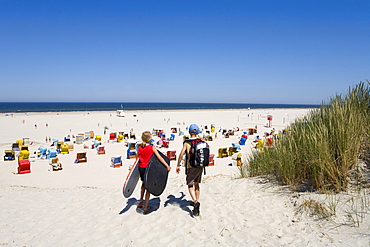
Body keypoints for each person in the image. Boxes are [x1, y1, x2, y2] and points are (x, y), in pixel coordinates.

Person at [137, 131, 171, 214]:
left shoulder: (139, 148)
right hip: (149, 169)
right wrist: (167, 165)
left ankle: (141, 201)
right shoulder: (151, 147)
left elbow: (137, 159)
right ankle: (146, 207)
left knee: (143, 185)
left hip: (141, 168)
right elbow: (159, 157)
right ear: (150, 139)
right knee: (149, 187)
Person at [176, 124, 203, 216]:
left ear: (189, 132)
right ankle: (197, 200)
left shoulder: (186, 142)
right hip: (200, 165)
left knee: (190, 184)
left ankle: (195, 202)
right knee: (197, 183)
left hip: (190, 166)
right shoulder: (201, 141)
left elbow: (181, 154)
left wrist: (178, 165)